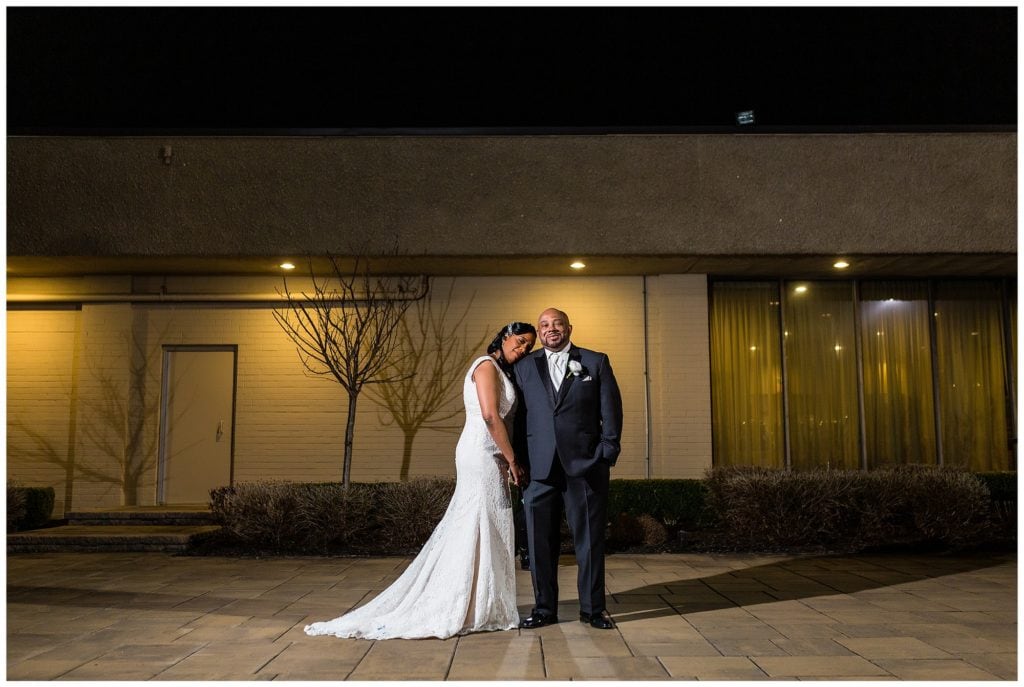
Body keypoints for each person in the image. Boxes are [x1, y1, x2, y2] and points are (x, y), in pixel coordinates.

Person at [304, 322, 537, 640]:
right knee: (477, 522)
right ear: (504, 336)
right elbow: (489, 416)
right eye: (520, 341)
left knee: (486, 525)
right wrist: (513, 460)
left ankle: (479, 602)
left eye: (528, 346)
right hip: (480, 454)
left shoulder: (501, 370)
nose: (523, 349)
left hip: (492, 454)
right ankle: (459, 603)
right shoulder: (486, 366)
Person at [514, 308, 623, 630]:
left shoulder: (595, 361)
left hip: (585, 465)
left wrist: (605, 453)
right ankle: (544, 609)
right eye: (545, 325)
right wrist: (518, 462)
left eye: (557, 324)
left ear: (568, 328)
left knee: (589, 541)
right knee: (538, 543)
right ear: (539, 330)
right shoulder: (524, 367)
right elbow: (518, 419)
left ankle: (592, 610)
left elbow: (612, 412)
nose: (551, 329)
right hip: (538, 469)